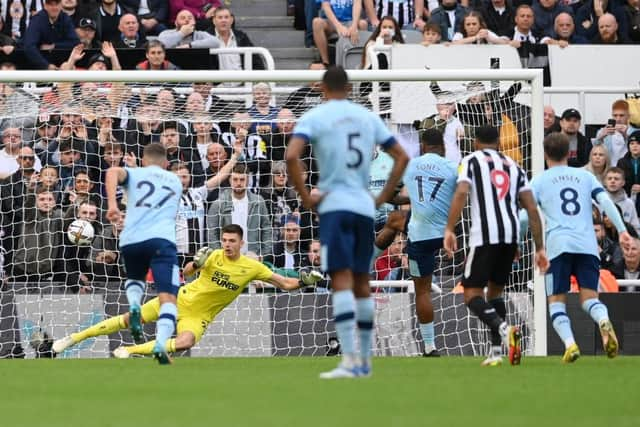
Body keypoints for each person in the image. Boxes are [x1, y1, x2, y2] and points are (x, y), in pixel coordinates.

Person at [286, 65, 409, 378]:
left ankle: (349, 360)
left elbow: (291, 156)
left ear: (323, 89)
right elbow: (402, 157)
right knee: (362, 281)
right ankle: (365, 362)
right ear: (350, 89)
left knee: (341, 280)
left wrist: (304, 197)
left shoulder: (316, 116)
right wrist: (381, 197)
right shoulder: (368, 117)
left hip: (335, 206)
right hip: (364, 206)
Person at [52, 224, 324, 358]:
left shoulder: (252, 267)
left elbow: (284, 283)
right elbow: (189, 272)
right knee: (128, 319)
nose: (227, 244)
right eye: (225, 240)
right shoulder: (214, 255)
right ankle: (72, 338)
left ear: (241, 242)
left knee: (185, 343)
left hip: (199, 315)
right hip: (179, 299)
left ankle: (130, 350)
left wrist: (304, 281)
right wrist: (198, 261)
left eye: (232, 241)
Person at [443, 125, 548, 367]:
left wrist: (449, 228)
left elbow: (461, 192)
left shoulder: (471, 160)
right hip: (510, 236)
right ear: (499, 141)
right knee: (496, 292)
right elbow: (532, 208)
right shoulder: (515, 166)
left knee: (471, 294)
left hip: (485, 236)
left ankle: (504, 328)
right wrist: (539, 247)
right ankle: (496, 352)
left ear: (476, 142)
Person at [526, 132, 631, 362]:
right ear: (568, 153)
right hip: (587, 245)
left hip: (557, 247)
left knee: (556, 301)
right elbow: (605, 202)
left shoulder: (539, 181)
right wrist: (622, 231)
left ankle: (570, 344)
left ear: (545, 154)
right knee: (590, 299)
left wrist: (522, 241)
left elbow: (528, 217)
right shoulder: (585, 177)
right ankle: (603, 319)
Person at [104, 143, 183, 364]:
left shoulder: (135, 173)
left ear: (144, 159)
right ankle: (160, 343)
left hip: (131, 240)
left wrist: (112, 205)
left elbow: (111, 172)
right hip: (162, 241)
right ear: (167, 163)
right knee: (168, 298)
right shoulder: (176, 181)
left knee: (135, 278)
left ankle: (135, 305)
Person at [403, 129, 457, 357]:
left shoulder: (411, 165)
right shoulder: (453, 167)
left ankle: (429, 346)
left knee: (422, 291)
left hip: (420, 236)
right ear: (443, 146)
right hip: (448, 234)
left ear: (422, 146)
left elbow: (401, 194)